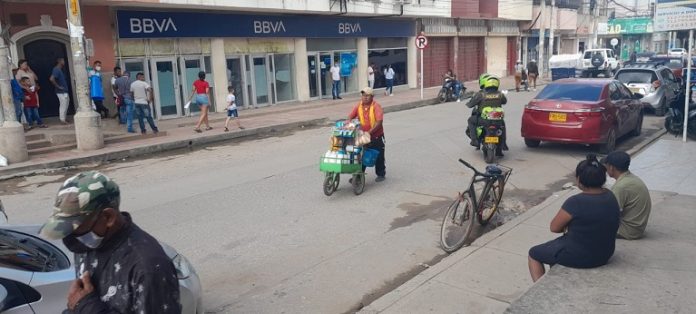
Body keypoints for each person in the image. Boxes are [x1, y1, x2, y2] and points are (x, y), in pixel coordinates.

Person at [38, 171, 181, 313]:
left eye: (75, 227)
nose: (71, 236)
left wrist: (87, 307)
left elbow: (83, 303)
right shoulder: (89, 244)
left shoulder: (147, 267)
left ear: (108, 217)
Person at [528, 154, 620, 282]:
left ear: (579, 179)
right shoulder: (610, 196)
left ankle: (537, 288)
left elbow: (554, 228)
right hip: (605, 254)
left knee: (534, 253)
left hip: (579, 257)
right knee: (555, 248)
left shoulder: (575, 202)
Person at [601, 151, 651, 240]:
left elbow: (611, 214)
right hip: (637, 227)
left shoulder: (621, 186)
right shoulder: (631, 178)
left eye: (606, 166)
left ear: (611, 167)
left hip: (628, 231)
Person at [348, 87, 386, 182]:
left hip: (376, 135)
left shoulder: (376, 106)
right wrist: (348, 123)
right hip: (363, 135)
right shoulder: (359, 106)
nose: (365, 97)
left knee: (379, 155)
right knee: (360, 155)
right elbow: (350, 116)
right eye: (363, 95)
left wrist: (369, 132)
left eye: (367, 95)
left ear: (372, 96)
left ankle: (381, 174)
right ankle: (358, 176)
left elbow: (379, 122)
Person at [466, 75, 507, 155]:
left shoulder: (480, 94)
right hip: (497, 121)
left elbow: (470, 105)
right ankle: (503, 145)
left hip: (484, 120)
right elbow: (504, 102)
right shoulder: (500, 94)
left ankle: (474, 141)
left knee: (470, 120)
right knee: (503, 125)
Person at [49, 57, 70, 125]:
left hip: (64, 91)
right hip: (61, 92)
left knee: (66, 104)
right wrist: (58, 86)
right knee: (63, 105)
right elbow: (51, 79)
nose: (64, 61)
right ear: (59, 61)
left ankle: (64, 118)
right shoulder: (56, 69)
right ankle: (62, 120)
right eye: (63, 60)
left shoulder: (60, 70)